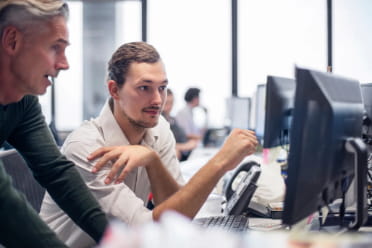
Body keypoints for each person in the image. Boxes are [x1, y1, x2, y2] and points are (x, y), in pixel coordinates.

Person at [40, 41, 258, 248]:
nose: (157, 100)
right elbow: (149, 228)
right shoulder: (87, 147)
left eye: (162, 88)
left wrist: (152, 160)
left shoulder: (158, 128)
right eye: (144, 88)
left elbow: (176, 216)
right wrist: (219, 162)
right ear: (114, 90)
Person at [0, 1, 110, 247]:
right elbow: (4, 204)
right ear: (12, 41)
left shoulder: (23, 102)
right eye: (54, 48)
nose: (64, 63)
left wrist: (111, 238)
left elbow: (56, 171)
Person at [162, 88, 199, 161]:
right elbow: (163, 145)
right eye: (167, 103)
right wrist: (185, 146)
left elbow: (182, 135)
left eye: (172, 103)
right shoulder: (160, 122)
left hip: (186, 150)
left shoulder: (172, 119)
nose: (170, 106)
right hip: (180, 151)